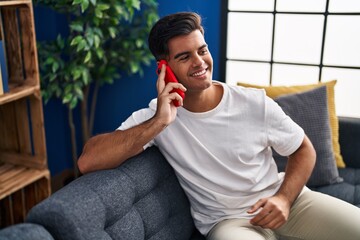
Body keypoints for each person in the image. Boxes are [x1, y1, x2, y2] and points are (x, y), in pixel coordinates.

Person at [78, 12, 360, 240]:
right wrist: (160, 121)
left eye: (202, 50)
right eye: (185, 57)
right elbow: (88, 161)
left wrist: (284, 199)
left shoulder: (253, 103)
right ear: (164, 67)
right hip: (230, 223)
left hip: (289, 203)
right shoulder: (156, 117)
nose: (200, 62)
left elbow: (303, 149)